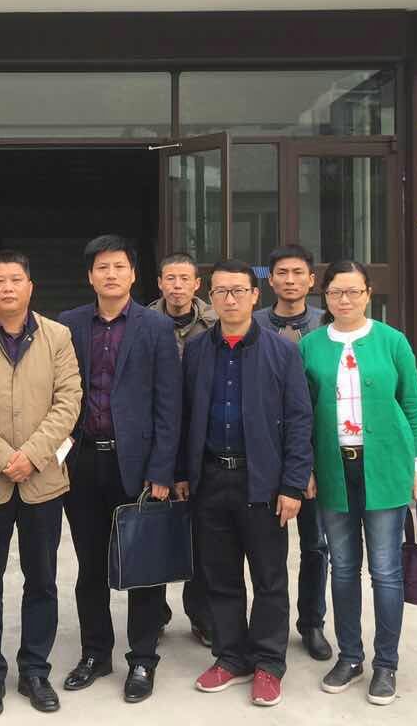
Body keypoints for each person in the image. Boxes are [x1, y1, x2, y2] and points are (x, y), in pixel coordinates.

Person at [0, 249, 82, 719]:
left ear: (30, 287)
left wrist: (32, 456)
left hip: (43, 482)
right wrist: (5, 458)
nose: (7, 287)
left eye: (16, 279)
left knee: (41, 580)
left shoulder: (58, 336)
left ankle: (35, 670)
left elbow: (69, 401)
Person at [177, 259, 313, 709]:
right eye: (221, 291)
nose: (230, 299)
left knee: (269, 577)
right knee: (220, 576)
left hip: (264, 482)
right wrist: (182, 474)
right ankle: (231, 656)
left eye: (238, 291)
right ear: (210, 298)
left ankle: (269, 662)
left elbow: (299, 421)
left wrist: (292, 485)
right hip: (211, 477)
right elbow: (185, 416)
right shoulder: (198, 349)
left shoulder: (282, 352)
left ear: (256, 296)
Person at [57, 235, 182, 703]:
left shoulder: (155, 327)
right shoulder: (68, 324)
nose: (110, 274)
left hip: (138, 465)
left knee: (143, 565)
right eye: (102, 268)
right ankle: (95, 653)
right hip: (83, 461)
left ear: (133, 275)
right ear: (89, 277)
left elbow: (169, 404)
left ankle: (143, 658)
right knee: (90, 564)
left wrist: (162, 471)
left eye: (119, 267)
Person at [299, 260, 417, 707]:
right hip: (334, 467)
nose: (345, 300)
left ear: (369, 294)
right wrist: (305, 468)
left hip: (386, 465)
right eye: (336, 292)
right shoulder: (310, 346)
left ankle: (386, 663)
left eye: (353, 291)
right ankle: (350, 657)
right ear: (325, 296)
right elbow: (300, 413)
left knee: (386, 570)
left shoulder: (393, 341)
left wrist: (416, 464)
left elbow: (412, 403)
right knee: (343, 566)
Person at [252, 244, 333, 663]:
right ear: (270, 280)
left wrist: (310, 466)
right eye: (281, 272)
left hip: (316, 453)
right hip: (264, 453)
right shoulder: (253, 324)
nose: (289, 280)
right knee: (265, 550)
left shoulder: (326, 325)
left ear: (311, 280)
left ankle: (311, 622)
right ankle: (266, 627)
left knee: (315, 545)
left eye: (298, 272)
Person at [148, 251, 217, 648]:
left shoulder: (215, 322)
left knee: (203, 537)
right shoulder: (142, 321)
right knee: (155, 533)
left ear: (197, 285)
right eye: (169, 279)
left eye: (184, 279)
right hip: (155, 440)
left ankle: (201, 616)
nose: (177, 286)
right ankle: (154, 615)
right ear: (159, 283)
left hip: (201, 439)